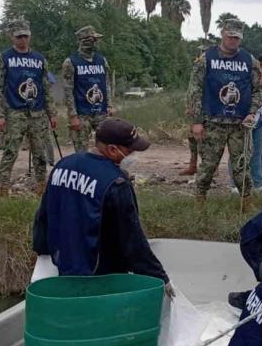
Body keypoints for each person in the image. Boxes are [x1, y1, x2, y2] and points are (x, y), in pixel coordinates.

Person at [32, 117, 170, 289]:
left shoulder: (63, 165)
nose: (133, 156)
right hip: (100, 275)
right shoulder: (115, 183)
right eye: (130, 151)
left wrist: (42, 252)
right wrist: (159, 277)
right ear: (112, 149)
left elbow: (44, 214)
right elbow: (132, 238)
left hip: (65, 265)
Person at [186, 19, 262, 210]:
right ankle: (200, 201)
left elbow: (259, 90)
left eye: (237, 38)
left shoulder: (249, 60)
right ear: (222, 34)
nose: (233, 41)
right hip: (212, 121)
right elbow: (194, 90)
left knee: (241, 165)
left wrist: (252, 112)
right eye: (230, 37)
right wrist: (196, 121)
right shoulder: (206, 58)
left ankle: (246, 202)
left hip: (240, 124)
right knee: (208, 165)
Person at [0, 20, 57, 197]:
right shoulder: (4, 58)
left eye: (26, 36)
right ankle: (4, 187)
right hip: (14, 111)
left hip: (37, 112)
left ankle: (41, 187)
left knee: (40, 152)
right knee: (11, 151)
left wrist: (51, 113)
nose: (23, 40)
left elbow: (45, 87)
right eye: (19, 36)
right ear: (12, 37)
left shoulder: (39, 59)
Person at [63, 26, 112, 153]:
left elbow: (106, 83)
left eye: (96, 40)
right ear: (84, 40)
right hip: (82, 113)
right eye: (93, 39)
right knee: (81, 151)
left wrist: (109, 105)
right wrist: (72, 115)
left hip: (101, 111)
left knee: (107, 146)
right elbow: (68, 90)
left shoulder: (102, 60)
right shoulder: (71, 62)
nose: (96, 42)